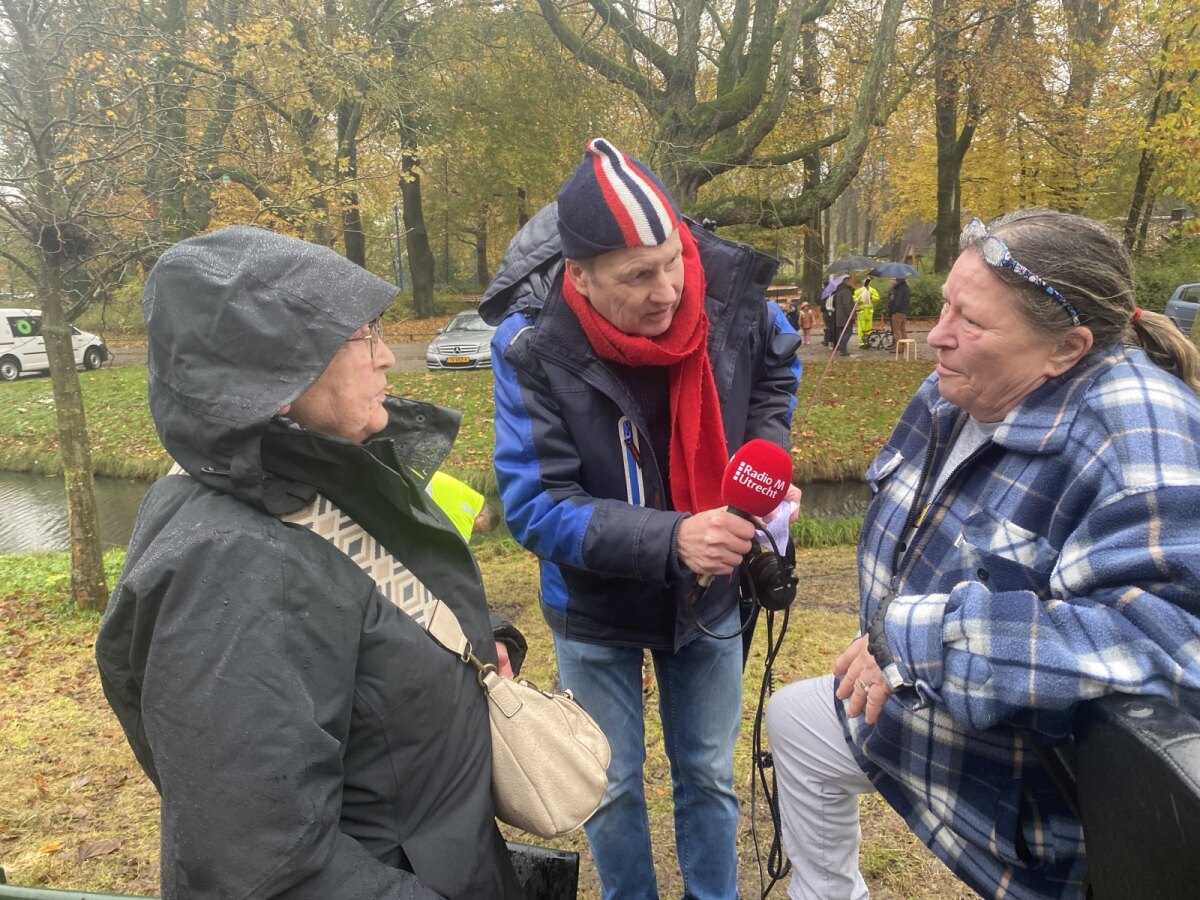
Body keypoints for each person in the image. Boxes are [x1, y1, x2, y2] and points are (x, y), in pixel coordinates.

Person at [765, 208, 1200, 900]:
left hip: (1033, 799)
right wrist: (883, 638)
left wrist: (920, 638)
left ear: (1067, 349)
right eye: (944, 307)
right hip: (922, 707)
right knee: (795, 719)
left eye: (969, 320)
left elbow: (1170, 644)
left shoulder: (1139, 429)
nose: (937, 336)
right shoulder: (957, 391)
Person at [95, 226, 528, 900]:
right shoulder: (231, 567)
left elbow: (361, 610)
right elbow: (266, 869)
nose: (388, 358)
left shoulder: (305, 481)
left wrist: (476, 644)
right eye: (362, 337)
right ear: (270, 377)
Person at [481, 138, 802, 899]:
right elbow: (534, 504)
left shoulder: (732, 295)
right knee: (611, 781)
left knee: (708, 776)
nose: (667, 290)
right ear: (580, 277)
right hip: (593, 599)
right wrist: (674, 538)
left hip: (713, 593)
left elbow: (779, 367)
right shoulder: (530, 344)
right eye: (638, 276)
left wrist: (760, 457)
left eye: (673, 261)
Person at [833, 272, 856, 356]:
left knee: (843, 332)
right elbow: (846, 305)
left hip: (841, 316)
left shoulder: (841, 291)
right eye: (851, 280)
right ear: (847, 281)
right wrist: (851, 316)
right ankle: (843, 349)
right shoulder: (846, 292)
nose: (853, 282)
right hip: (845, 317)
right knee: (848, 332)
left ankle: (842, 348)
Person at [854, 277, 877, 348]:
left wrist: (872, 297)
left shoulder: (872, 290)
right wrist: (860, 299)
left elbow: (877, 297)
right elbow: (854, 299)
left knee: (869, 328)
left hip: (869, 312)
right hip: (861, 312)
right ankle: (862, 343)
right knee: (861, 328)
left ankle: (867, 341)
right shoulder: (858, 291)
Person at [888, 275, 910, 342]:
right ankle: (905, 346)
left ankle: (899, 347)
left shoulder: (899, 289)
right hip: (904, 311)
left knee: (897, 331)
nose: (892, 281)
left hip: (897, 312)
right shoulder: (906, 288)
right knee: (903, 330)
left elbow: (897, 301)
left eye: (895, 279)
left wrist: (893, 310)